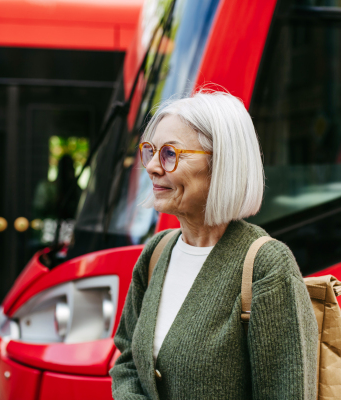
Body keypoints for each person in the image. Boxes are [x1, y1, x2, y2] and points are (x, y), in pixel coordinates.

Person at [110, 90, 318, 400]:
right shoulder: (156, 253)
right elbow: (126, 360)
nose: (152, 166)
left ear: (221, 163)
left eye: (169, 153)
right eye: (150, 150)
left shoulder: (267, 265)